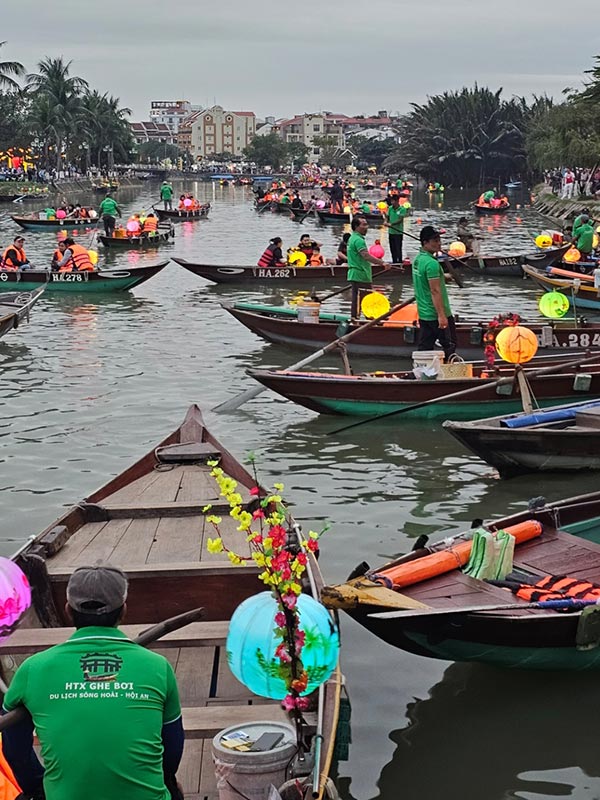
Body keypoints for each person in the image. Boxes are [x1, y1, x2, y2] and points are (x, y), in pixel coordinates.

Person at [2, 565, 184, 800]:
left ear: (68, 610)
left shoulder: (33, 669)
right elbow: (172, 753)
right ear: (123, 611)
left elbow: (15, 749)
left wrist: (38, 788)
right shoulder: (157, 667)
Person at [412, 225, 456, 360]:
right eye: (434, 241)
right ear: (425, 243)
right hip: (437, 313)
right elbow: (435, 291)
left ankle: (420, 372)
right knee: (450, 347)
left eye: (439, 240)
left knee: (424, 349)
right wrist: (442, 316)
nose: (438, 243)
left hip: (424, 313)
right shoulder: (432, 264)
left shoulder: (418, 260)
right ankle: (451, 374)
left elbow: (425, 281)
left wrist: (444, 277)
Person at [347, 216, 389, 318]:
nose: (367, 227)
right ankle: (363, 320)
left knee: (359, 299)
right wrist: (382, 263)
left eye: (367, 224)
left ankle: (357, 319)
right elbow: (365, 255)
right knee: (365, 300)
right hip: (360, 273)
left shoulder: (352, 238)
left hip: (357, 273)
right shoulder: (358, 240)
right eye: (364, 225)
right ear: (356, 226)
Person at [384, 194, 410, 263]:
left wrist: (391, 224)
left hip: (398, 232)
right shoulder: (390, 208)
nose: (392, 203)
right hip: (391, 232)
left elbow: (400, 220)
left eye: (393, 201)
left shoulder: (402, 209)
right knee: (392, 249)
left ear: (397, 201)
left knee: (398, 249)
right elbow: (387, 216)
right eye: (391, 201)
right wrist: (385, 221)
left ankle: (399, 262)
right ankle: (394, 262)